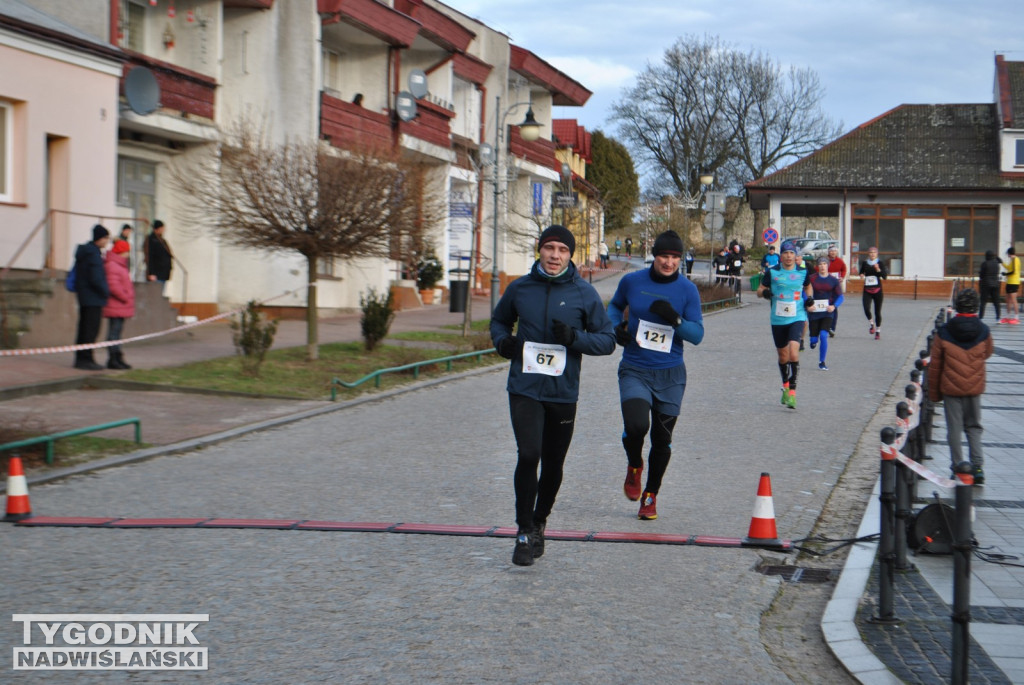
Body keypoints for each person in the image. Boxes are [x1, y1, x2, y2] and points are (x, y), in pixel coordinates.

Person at [490, 225, 615, 566]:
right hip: (525, 388)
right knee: (529, 453)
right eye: (550, 248)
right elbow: (499, 322)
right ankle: (523, 530)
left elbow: (606, 340)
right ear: (540, 250)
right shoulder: (520, 288)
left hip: (562, 392)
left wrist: (575, 338)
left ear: (570, 255)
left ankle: (540, 519)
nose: (555, 255)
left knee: (554, 463)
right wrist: (503, 342)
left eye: (562, 249)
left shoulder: (584, 294)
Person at [607, 230, 704, 520]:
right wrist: (617, 327)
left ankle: (650, 495)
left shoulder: (688, 290)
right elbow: (614, 306)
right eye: (664, 255)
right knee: (637, 426)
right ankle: (634, 464)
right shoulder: (632, 281)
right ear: (654, 254)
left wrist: (675, 319)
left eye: (675, 256)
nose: (669, 262)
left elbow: (697, 335)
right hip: (635, 367)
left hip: (670, 374)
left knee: (662, 439)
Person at [927, 288, 993, 484]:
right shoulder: (983, 330)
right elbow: (988, 352)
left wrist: (934, 393)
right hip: (974, 387)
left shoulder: (945, 331)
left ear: (956, 306)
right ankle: (978, 466)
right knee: (974, 426)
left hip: (951, 388)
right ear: (976, 306)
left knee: (954, 428)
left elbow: (936, 365)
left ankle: (958, 466)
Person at [756, 240, 812, 409]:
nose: (789, 256)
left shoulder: (803, 272)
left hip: (797, 316)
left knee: (794, 353)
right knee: (783, 356)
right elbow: (759, 291)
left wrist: (808, 299)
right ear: (781, 256)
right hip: (778, 319)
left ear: (796, 256)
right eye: (786, 253)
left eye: (792, 253)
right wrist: (765, 292)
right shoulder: (772, 272)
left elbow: (808, 287)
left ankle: (793, 393)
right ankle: (785, 386)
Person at [72, 225, 111, 370]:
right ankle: (86, 359)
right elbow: (96, 278)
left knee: (84, 328)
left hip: (85, 296)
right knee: (90, 330)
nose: (107, 241)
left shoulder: (85, 252)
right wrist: (106, 291)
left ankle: (82, 358)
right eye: (106, 238)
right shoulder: (93, 254)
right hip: (93, 298)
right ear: (100, 238)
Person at [102, 239, 135, 369]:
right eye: (127, 251)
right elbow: (113, 285)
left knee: (117, 333)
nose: (128, 254)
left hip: (120, 305)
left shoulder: (119, 265)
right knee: (114, 333)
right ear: (122, 251)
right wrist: (125, 297)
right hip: (116, 304)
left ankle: (118, 357)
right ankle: (113, 359)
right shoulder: (113, 265)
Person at [807, 256, 844, 370]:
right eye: (820, 264)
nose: (822, 266)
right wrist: (808, 305)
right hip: (814, 312)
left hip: (827, 312)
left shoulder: (833, 280)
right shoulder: (812, 278)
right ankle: (813, 341)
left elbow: (840, 296)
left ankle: (822, 362)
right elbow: (804, 292)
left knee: (824, 335)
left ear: (828, 266)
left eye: (824, 264)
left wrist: (834, 306)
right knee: (814, 340)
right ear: (817, 266)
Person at [859, 246, 887, 340]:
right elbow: (861, 272)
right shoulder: (865, 263)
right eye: (870, 252)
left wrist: (878, 269)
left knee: (877, 312)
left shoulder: (880, 263)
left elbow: (884, 276)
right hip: (867, 289)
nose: (872, 254)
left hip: (878, 290)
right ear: (868, 254)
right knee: (866, 308)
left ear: (877, 254)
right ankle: (872, 324)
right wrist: (861, 275)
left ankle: (878, 331)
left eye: (874, 252)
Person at [826, 245, 847, 335]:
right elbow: (817, 269)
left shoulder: (840, 261)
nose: (833, 253)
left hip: (836, 285)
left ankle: (832, 328)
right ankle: (824, 326)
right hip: (825, 285)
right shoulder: (825, 261)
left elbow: (844, 269)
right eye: (831, 251)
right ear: (828, 252)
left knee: (834, 306)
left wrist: (842, 277)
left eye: (834, 251)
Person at [978, 249, 1002, 323]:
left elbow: (981, 275)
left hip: (986, 284)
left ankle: (981, 317)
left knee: (983, 302)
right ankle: (998, 318)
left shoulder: (985, 264)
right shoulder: (997, 264)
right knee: (996, 302)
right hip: (995, 284)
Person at [1001, 246, 1020, 324]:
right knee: (1008, 300)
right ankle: (1008, 316)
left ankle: (1016, 317)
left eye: (1008, 254)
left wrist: (1005, 274)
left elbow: (1013, 272)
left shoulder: (1015, 260)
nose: (1008, 256)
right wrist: (1001, 263)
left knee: (1013, 300)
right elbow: (1009, 268)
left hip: (1014, 282)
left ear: (1009, 253)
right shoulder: (1012, 260)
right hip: (1009, 282)